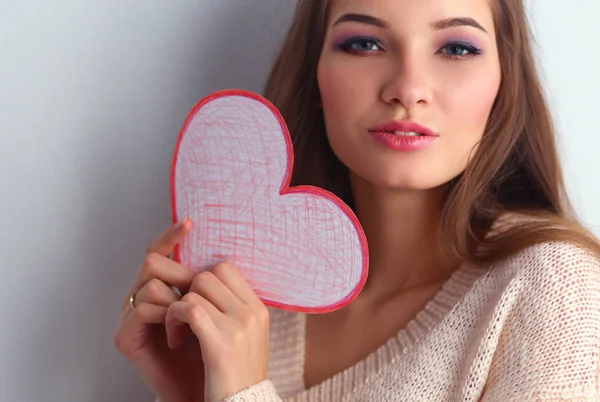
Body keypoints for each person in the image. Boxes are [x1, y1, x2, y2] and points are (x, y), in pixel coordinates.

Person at [114, 0, 600, 400]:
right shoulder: (249, 295)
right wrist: (189, 392)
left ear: (503, 83)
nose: (407, 89)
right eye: (365, 43)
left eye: (456, 47)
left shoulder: (550, 286)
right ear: (317, 79)